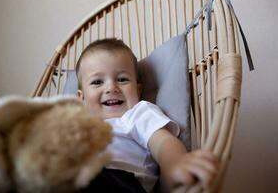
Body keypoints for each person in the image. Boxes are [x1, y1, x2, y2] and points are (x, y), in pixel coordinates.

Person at [76, 38, 218, 193]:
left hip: (119, 181)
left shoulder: (137, 114)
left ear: (138, 91)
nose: (111, 88)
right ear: (81, 98)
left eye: (122, 79)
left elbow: (163, 143)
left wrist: (175, 164)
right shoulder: (75, 126)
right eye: (97, 82)